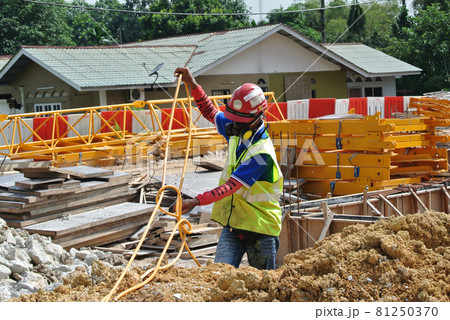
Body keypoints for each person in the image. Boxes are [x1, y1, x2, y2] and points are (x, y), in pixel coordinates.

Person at [173, 67, 283, 270]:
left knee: (262, 285)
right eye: (232, 118)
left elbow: (230, 187)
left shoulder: (262, 153)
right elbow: (209, 111)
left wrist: (197, 201)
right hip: (234, 225)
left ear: (257, 117)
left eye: (238, 121)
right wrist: (192, 83)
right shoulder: (237, 128)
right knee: (219, 276)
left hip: (261, 227)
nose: (232, 124)